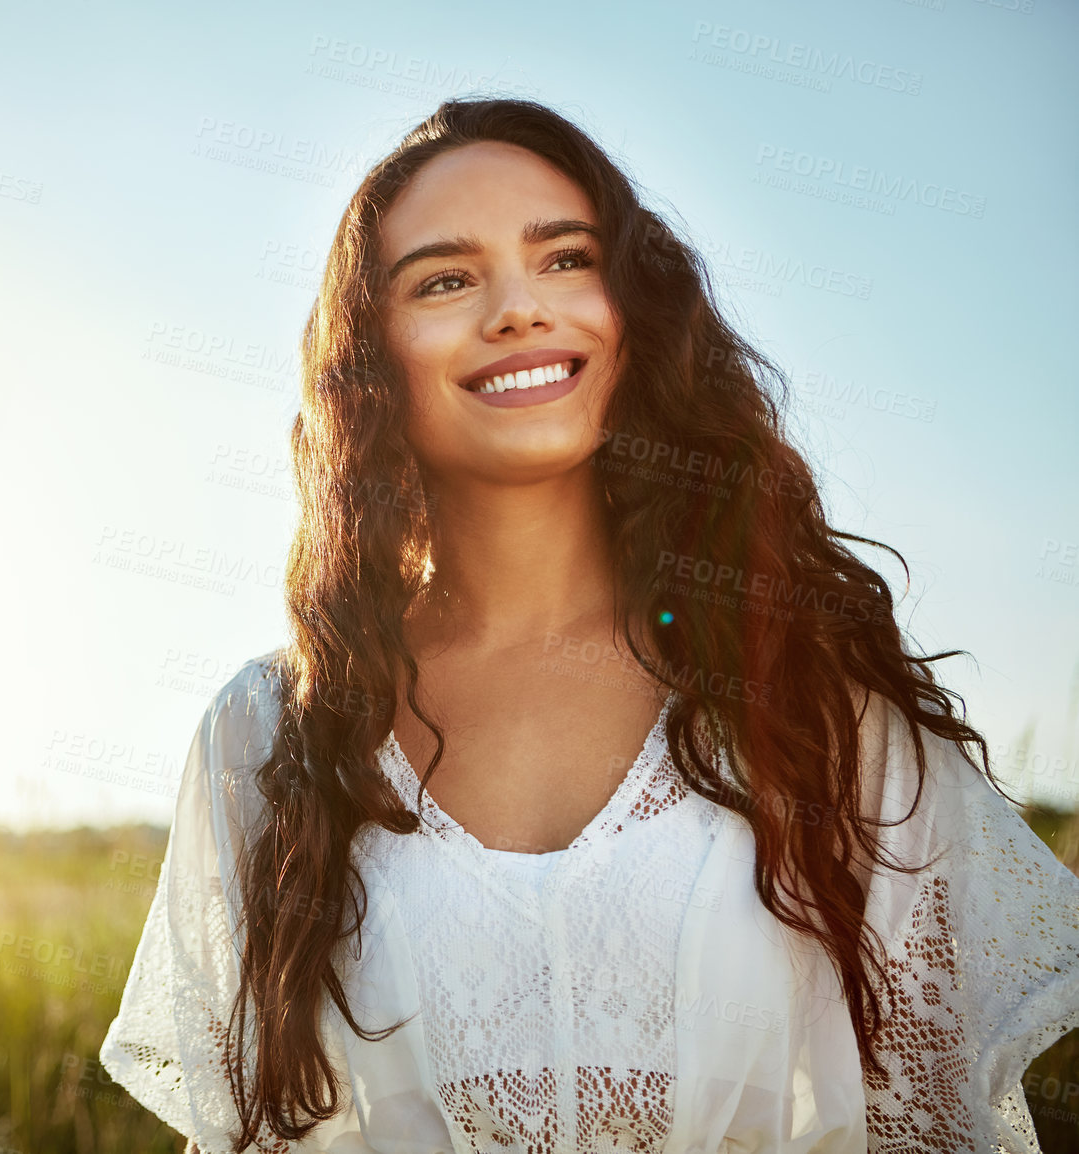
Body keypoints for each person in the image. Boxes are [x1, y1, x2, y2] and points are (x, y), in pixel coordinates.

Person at [99, 97, 1079, 1153]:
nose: (518, 308)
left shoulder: (809, 689)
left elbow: (929, 1122)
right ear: (370, 355)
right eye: (444, 279)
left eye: (565, 258)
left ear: (633, 308)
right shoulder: (265, 732)